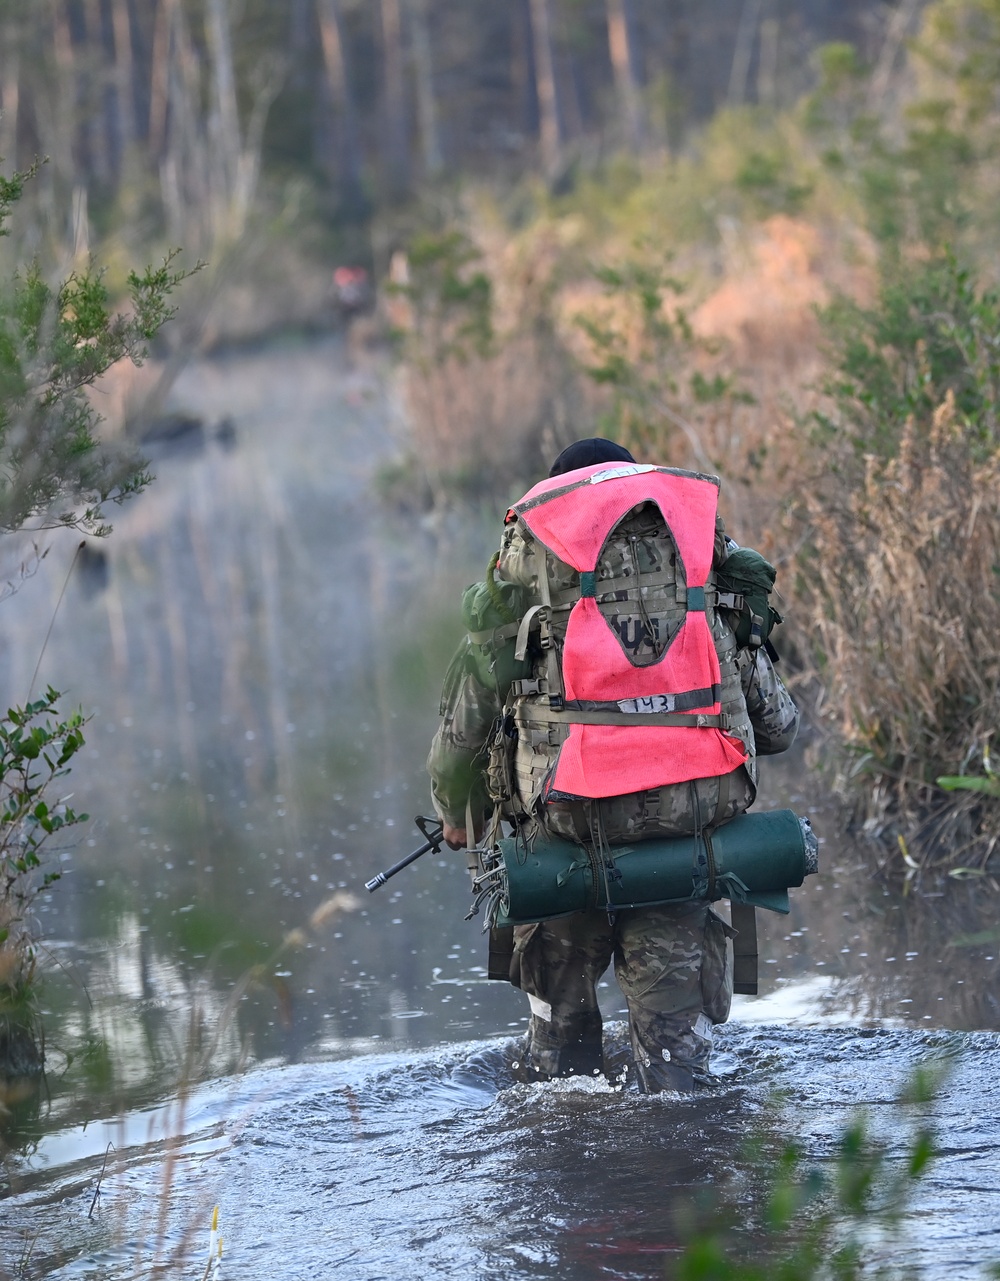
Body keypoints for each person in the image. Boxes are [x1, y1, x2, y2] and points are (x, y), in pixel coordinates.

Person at [427, 438, 799, 1092]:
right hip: (681, 840)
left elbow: (466, 725)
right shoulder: (693, 563)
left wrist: (459, 813)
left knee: (557, 1065)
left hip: (562, 834)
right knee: (677, 1070)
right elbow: (777, 725)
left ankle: (576, 1148)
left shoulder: (525, 572)